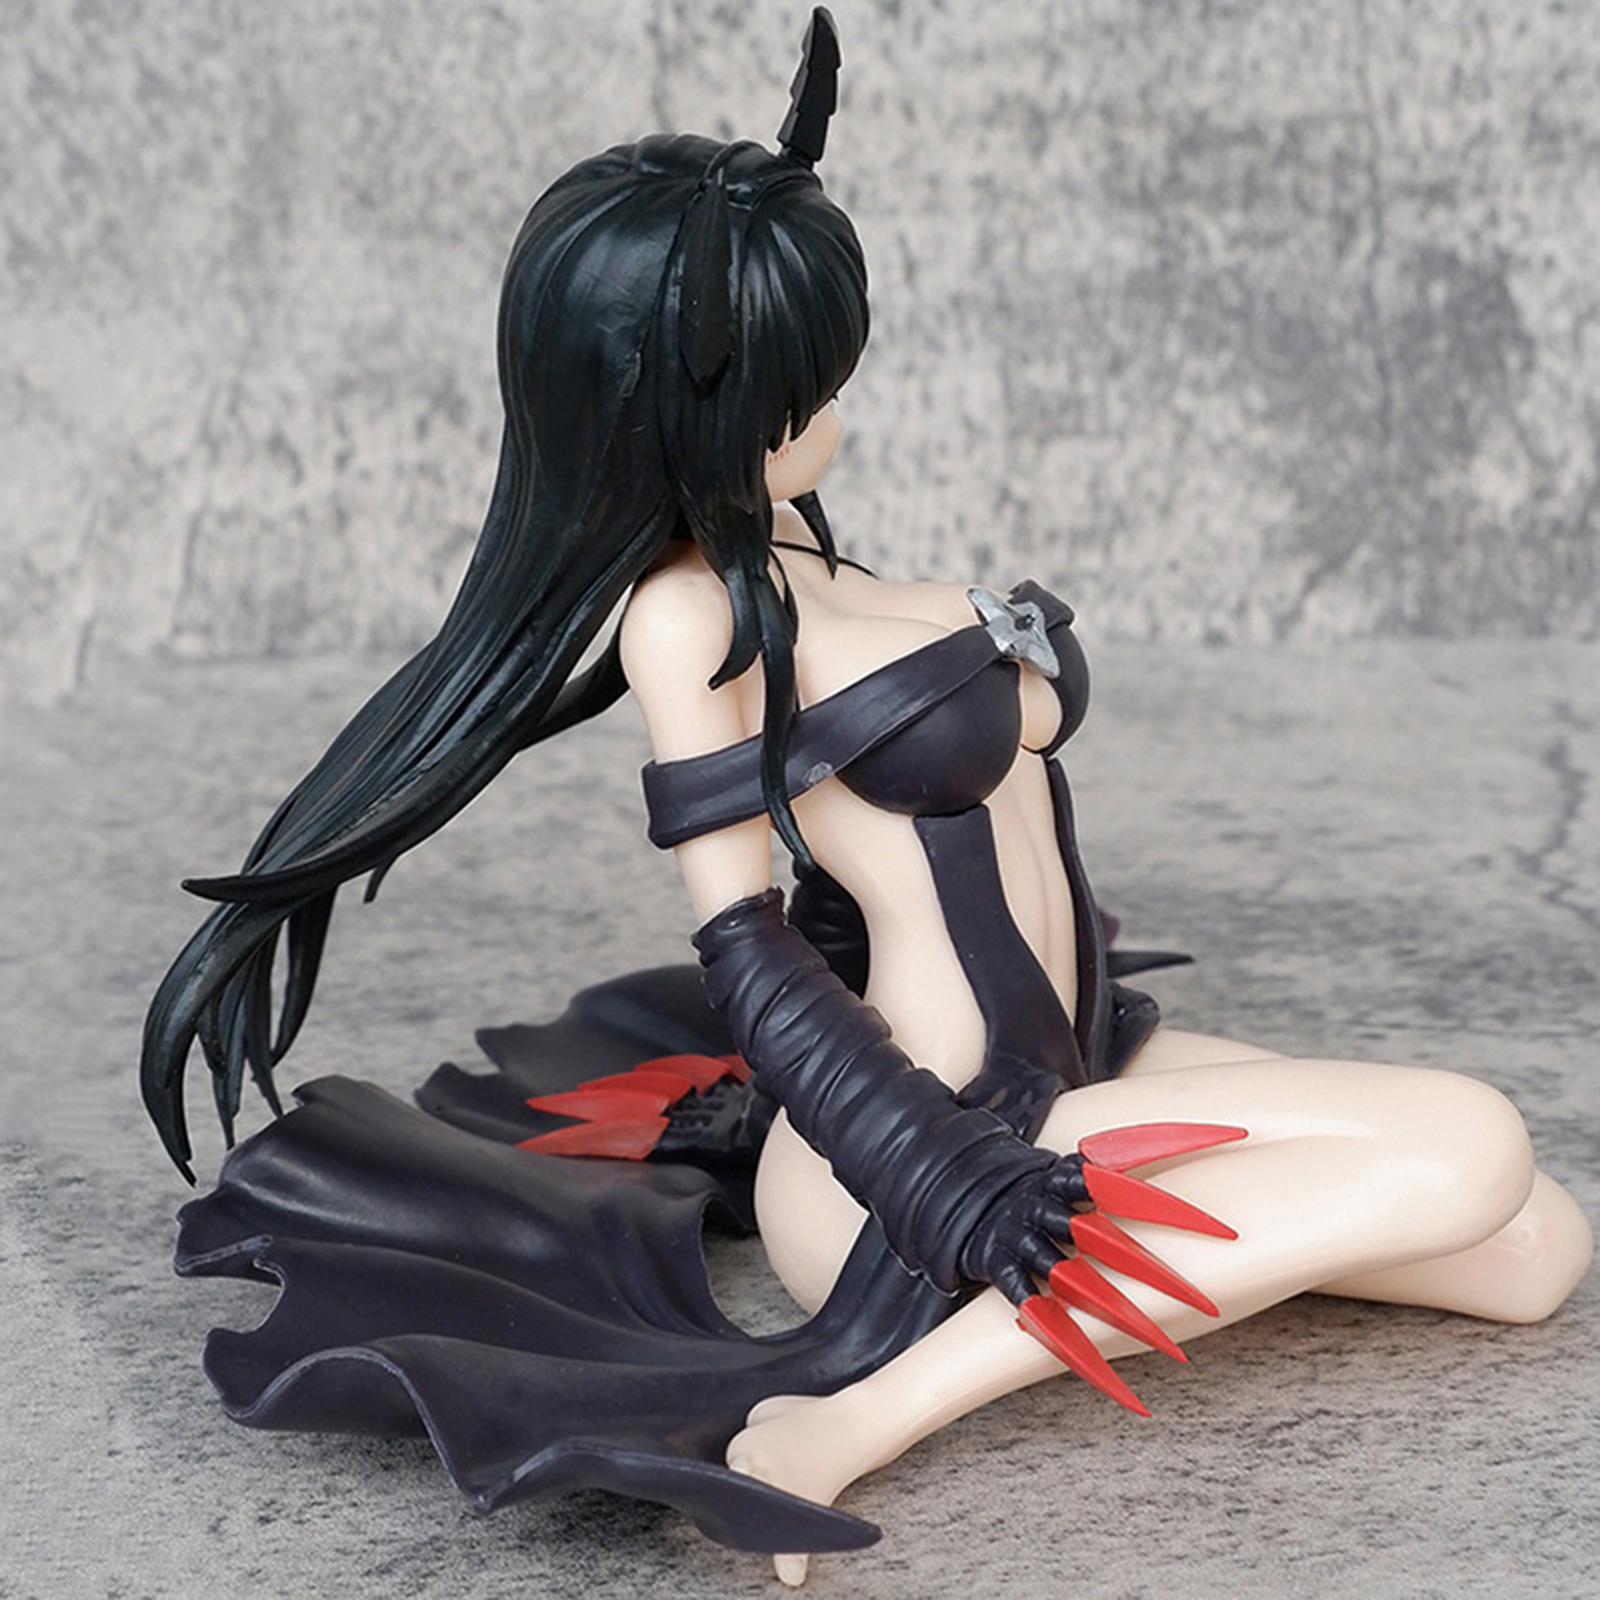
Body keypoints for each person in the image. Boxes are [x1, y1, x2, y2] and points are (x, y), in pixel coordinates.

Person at [142, 12, 1590, 1586]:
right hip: (919, 1139)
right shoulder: (688, 616)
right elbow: (745, 944)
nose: (833, 401)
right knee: (1469, 1142)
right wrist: (934, 1172)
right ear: (694, 401)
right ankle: (858, 1417)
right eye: (797, 381)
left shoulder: (803, 550)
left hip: (1071, 1052)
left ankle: (1157, 1264)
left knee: (1534, 1251)